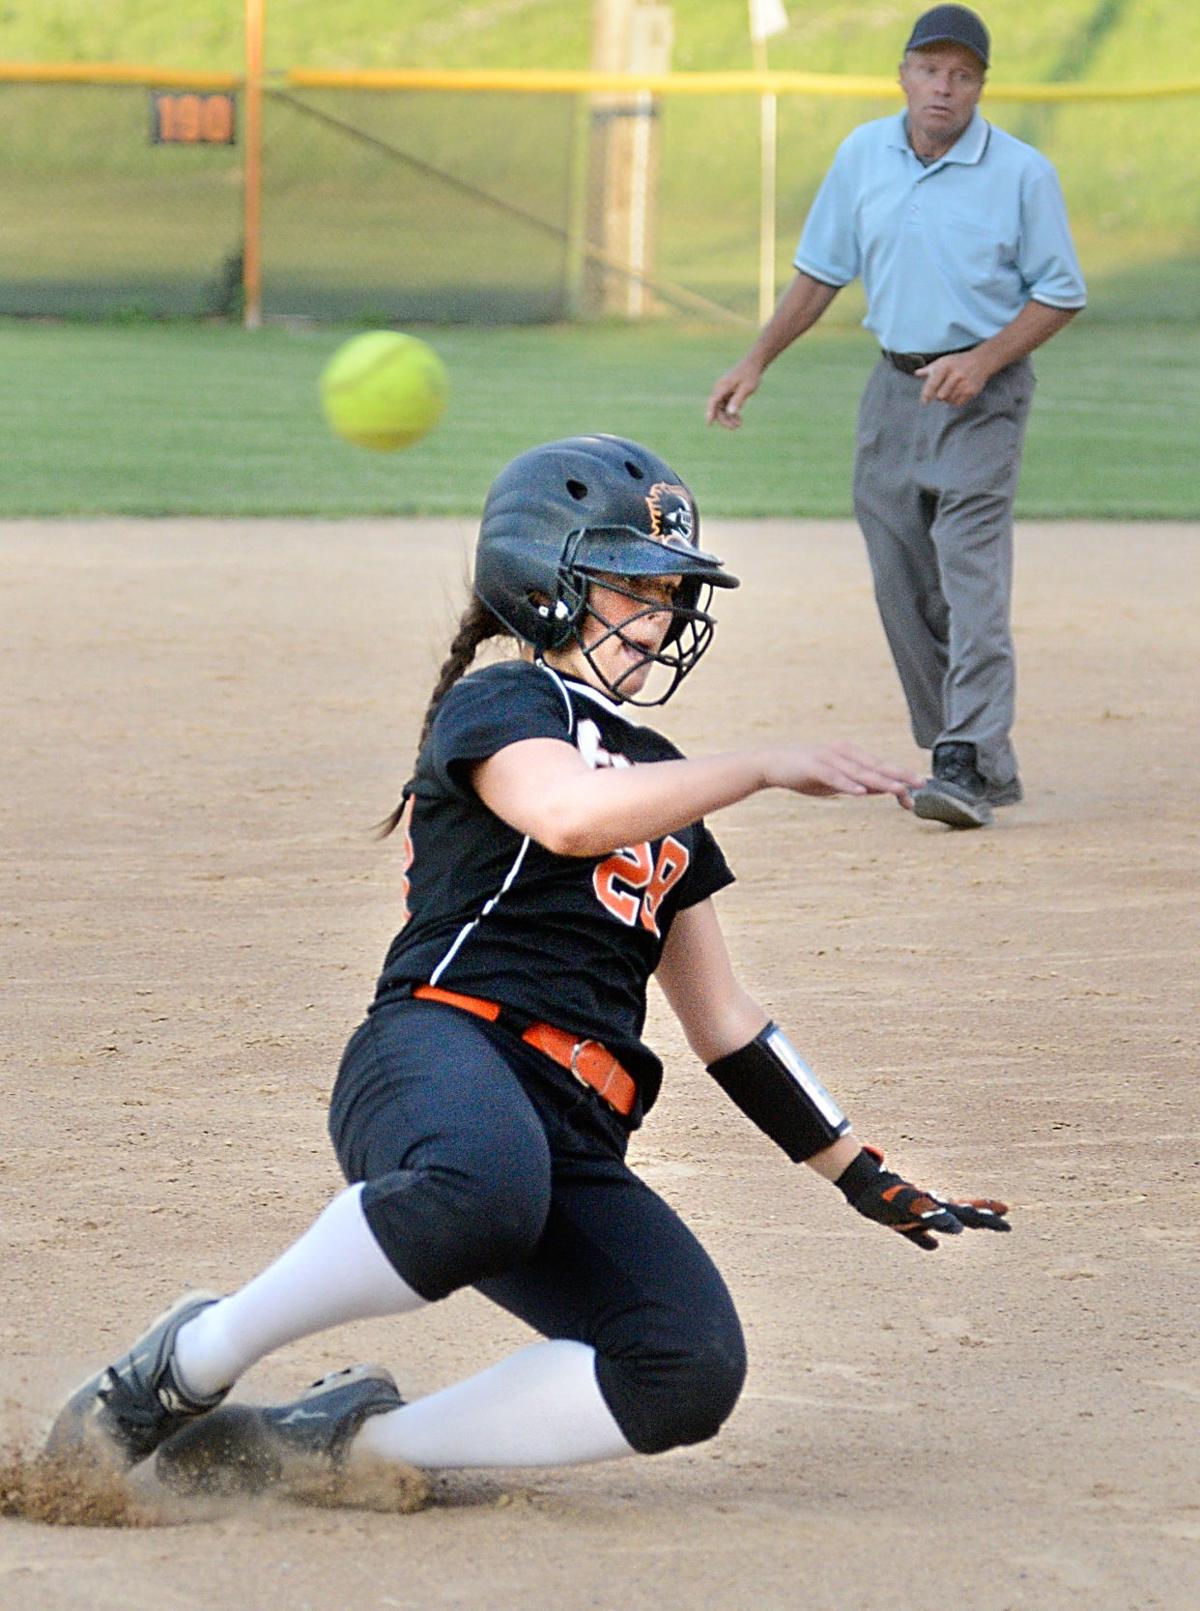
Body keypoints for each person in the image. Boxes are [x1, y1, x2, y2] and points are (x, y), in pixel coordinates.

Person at [45, 434, 1010, 1504]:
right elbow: (563, 818)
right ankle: (186, 1362)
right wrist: (756, 767)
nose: (663, 615)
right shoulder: (504, 708)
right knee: (481, 1189)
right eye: (632, 587)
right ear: (542, 581)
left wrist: (857, 1170)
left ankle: (351, 1447)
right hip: (439, 1051)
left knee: (684, 1368)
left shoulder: (666, 788)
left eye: (673, 594)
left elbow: (724, 1020)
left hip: (567, 1132)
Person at [707, 4, 1087, 829]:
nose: (943, 87)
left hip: (984, 397)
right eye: (930, 70)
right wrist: (756, 360)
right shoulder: (863, 155)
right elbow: (819, 275)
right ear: (904, 75)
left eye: (962, 74)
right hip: (891, 393)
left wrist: (983, 359)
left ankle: (962, 759)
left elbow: (1061, 292)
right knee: (902, 582)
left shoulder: (1022, 174)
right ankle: (977, 752)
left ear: (981, 85)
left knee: (969, 573)